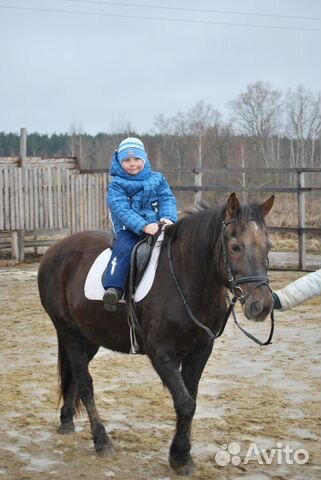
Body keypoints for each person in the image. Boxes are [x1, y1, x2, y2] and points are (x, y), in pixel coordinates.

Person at [102, 137, 178, 312]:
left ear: (144, 159)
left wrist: (168, 218)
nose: (132, 164)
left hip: (158, 224)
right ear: (120, 162)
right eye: (127, 160)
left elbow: (167, 198)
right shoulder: (117, 185)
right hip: (128, 228)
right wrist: (144, 226)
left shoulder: (158, 179)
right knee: (125, 248)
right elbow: (122, 210)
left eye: (137, 159)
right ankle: (114, 287)